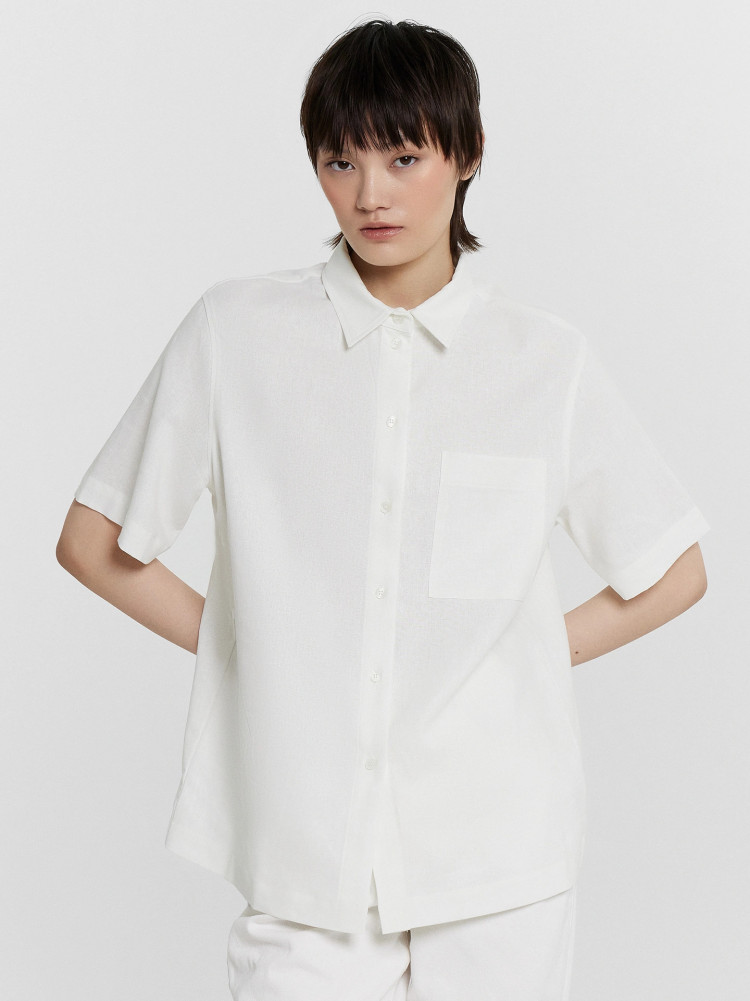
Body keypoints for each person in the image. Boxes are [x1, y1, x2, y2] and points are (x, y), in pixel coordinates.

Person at [56, 17, 710, 1001]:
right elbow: (94, 541)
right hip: (304, 849)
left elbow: (674, 569)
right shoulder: (237, 333)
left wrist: (526, 646)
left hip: (500, 853)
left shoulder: (545, 360)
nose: (370, 194)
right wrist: (255, 645)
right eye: (340, 160)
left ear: (468, 153)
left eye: (403, 157)